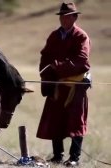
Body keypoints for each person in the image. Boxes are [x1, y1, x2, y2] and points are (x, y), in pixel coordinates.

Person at [36, 2, 91, 167]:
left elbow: (82, 61)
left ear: (75, 17)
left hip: (75, 86)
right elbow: (45, 57)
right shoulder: (54, 36)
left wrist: (58, 67)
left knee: (76, 121)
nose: (63, 19)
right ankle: (57, 156)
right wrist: (47, 76)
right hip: (56, 85)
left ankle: (74, 158)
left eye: (67, 16)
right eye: (61, 16)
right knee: (55, 119)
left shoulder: (81, 36)